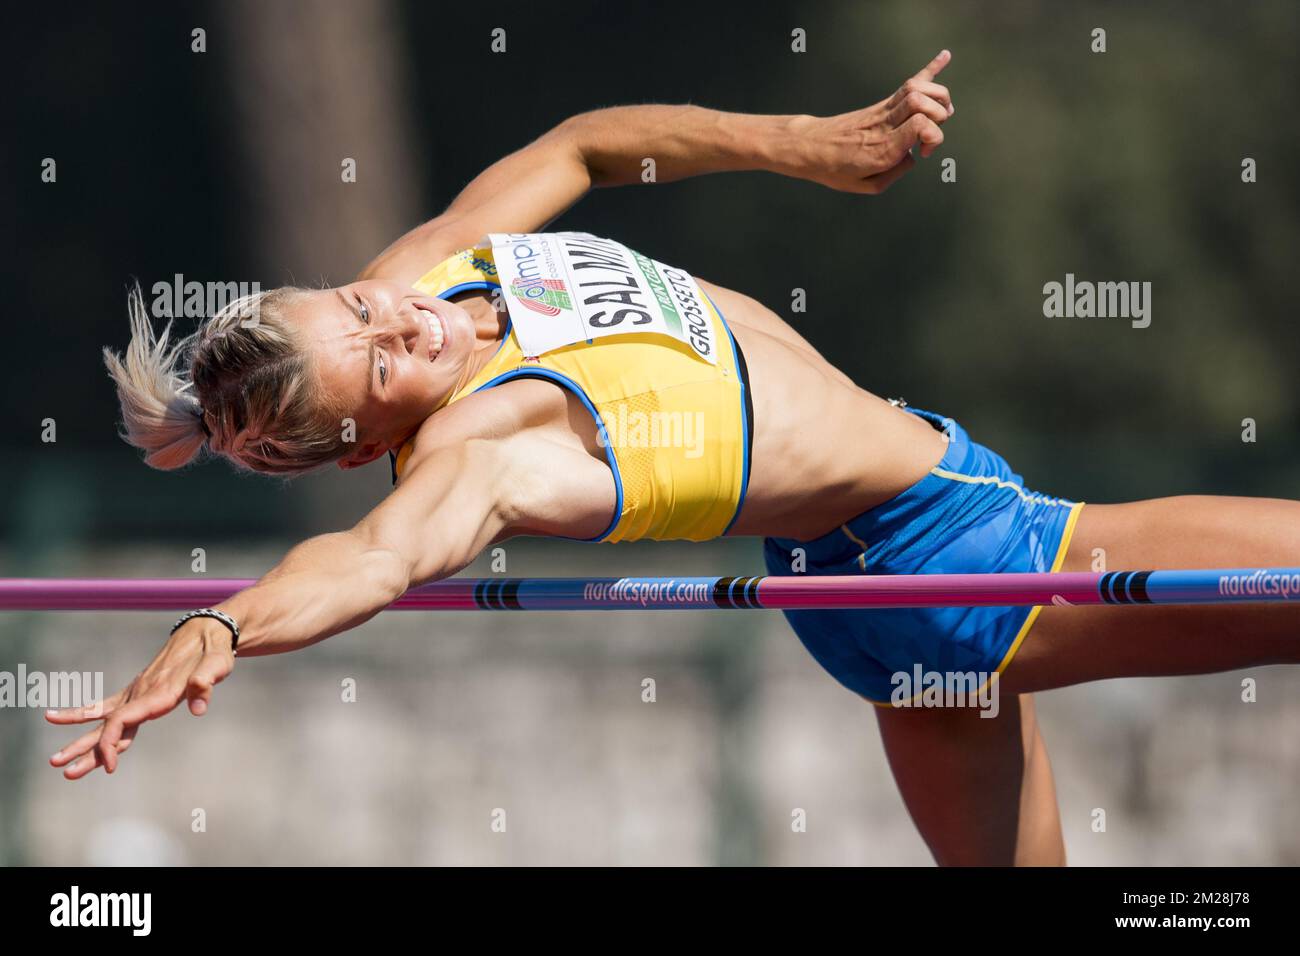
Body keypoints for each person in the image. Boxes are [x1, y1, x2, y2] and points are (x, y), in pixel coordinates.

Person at [54, 51, 1300, 865]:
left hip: (852, 590)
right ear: (366, 440)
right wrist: (220, 627)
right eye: (381, 364)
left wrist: (803, 144)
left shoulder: (429, 277)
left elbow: (587, 146)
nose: (401, 320)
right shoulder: (481, 449)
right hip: (954, 552)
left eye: (358, 303)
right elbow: (373, 559)